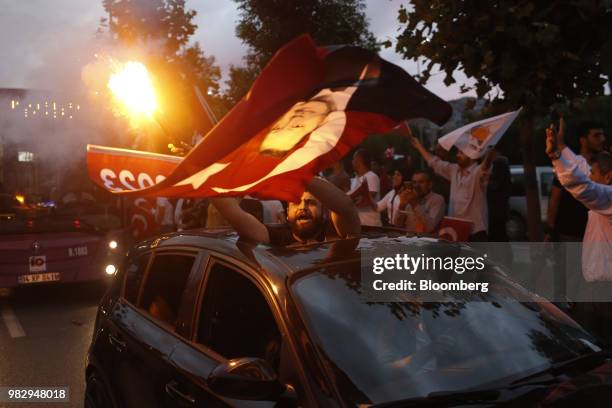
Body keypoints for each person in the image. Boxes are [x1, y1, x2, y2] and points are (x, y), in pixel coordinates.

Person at [546, 119, 612, 342]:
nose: (588, 174)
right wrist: (561, 148)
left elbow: (585, 187)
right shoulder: (605, 192)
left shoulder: (608, 197)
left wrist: (556, 156)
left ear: (608, 177)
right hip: (593, 288)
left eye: (593, 172)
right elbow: (581, 171)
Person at [209, 177, 360, 246]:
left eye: (311, 203)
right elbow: (232, 211)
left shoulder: (335, 235)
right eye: (296, 203)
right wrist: (200, 176)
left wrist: (296, 174)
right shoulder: (275, 237)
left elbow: (347, 208)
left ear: (324, 211)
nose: (303, 208)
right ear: (287, 212)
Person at [408, 131, 495, 241]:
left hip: (475, 231)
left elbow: (485, 168)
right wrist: (419, 146)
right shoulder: (454, 170)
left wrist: (489, 155)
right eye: (458, 152)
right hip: (457, 229)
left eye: (461, 153)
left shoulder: (477, 173)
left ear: (472, 156)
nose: (457, 155)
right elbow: (435, 163)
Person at [546, 120, 606, 242]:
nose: (602, 139)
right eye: (596, 135)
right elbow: (555, 198)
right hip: (571, 232)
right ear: (583, 140)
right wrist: (549, 230)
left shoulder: (605, 165)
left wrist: (558, 151)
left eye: (602, 135)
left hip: (599, 234)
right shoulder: (570, 166)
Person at [348, 149, 382, 226]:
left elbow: (366, 200)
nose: (352, 161)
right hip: (359, 224)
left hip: (371, 224)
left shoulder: (371, 176)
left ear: (359, 160)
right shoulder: (355, 179)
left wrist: (348, 199)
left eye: (354, 158)